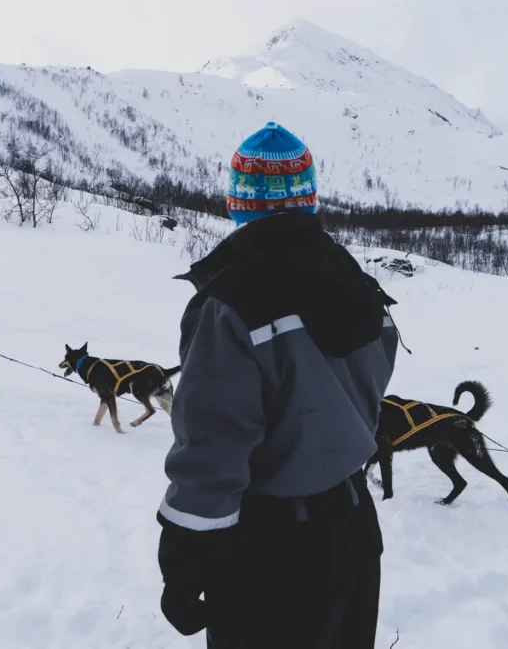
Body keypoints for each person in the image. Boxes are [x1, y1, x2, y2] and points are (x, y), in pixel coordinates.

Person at [156, 122, 399, 648]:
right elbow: (370, 385)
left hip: (267, 549)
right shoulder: (356, 283)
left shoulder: (230, 304)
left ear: (238, 202)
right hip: (354, 531)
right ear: (308, 199)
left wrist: (183, 564)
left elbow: (212, 448)